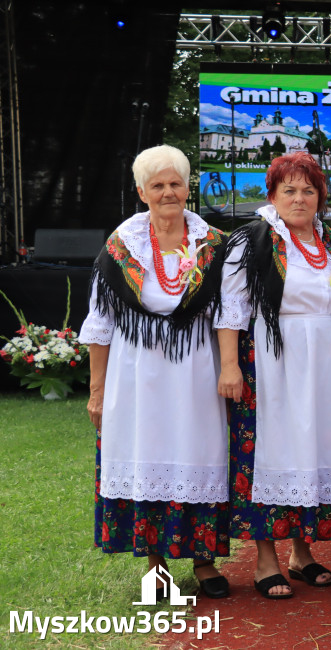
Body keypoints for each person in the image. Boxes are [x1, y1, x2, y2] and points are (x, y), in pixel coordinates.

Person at [82, 144, 231, 599]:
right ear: (141, 191)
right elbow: (99, 323)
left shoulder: (214, 245)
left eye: (176, 183)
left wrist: (228, 368)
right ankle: (156, 569)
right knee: (147, 458)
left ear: (190, 187)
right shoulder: (120, 246)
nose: (169, 192)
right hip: (136, 376)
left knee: (199, 455)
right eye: (158, 185)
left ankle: (204, 562)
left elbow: (229, 313)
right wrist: (97, 390)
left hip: (195, 372)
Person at [216, 151, 331, 600]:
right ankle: (265, 561)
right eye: (289, 190)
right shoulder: (252, 239)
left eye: (308, 190)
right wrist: (229, 365)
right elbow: (231, 310)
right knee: (269, 455)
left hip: (324, 363)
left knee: (313, 450)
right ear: (272, 195)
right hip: (271, 360)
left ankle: (302, 552)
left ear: (321, 196)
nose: (299, 199)